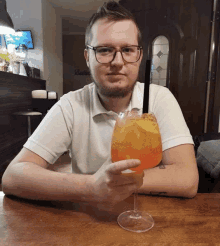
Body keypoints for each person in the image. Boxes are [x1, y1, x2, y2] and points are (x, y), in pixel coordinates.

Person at [2, 1, 199, 207]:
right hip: (89, 222)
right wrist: (91, 186)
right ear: (88, 57)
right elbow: (12, 176)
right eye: (105, 50)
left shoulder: (160, 99)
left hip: (150, 220)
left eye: (128, 50)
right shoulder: (70, 105)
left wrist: (116, 183)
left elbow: (187, 178)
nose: (117, 61)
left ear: (139, 56)